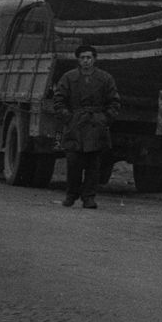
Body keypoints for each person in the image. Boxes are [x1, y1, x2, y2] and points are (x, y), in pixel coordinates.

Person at [52, 42, 119, 209]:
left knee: (93, 165)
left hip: (95, 126)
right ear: (78, 60)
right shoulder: (69, 77)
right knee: (73, 162)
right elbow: (58, 100)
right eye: (82, 58)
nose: (86, 61)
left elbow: (114, 102)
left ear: (94, 59)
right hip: (75, 125)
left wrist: (104, 119)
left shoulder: (105, 78)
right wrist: (68, 117)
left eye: (89, 57)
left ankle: (89, 197)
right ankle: (71, 195)